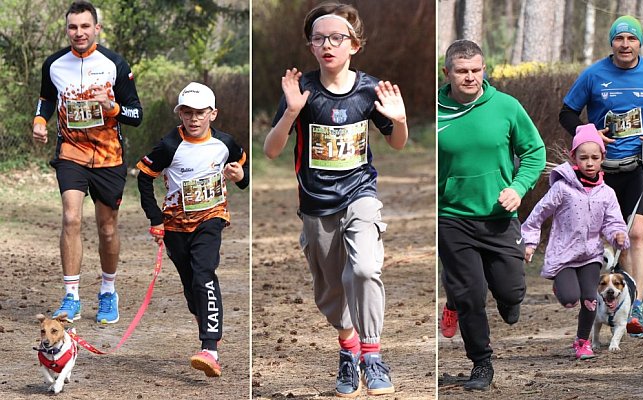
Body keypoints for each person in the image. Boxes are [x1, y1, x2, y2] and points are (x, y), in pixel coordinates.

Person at [263, 2, 408, 397]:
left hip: (360, 196)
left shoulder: (369, 89)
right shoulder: (303, 91)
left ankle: (373, 355)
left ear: (354, 45)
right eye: (319, 38)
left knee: (363, 270)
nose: (328, 44)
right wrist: (292, 112)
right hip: (316, 204)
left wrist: (399, 119)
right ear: (311, 46)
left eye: (337, 38)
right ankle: (349, 350)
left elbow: (397, 144)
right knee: (330, 291)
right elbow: (272, 151)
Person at [559, 15, 643, 338]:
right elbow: (566, 112)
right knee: (617, 239)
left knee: (638, 232)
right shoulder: (593, 75)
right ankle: (626, 299)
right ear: (611, 43)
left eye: (631, 39)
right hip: (603, 169)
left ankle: (639, 305)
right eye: (619, 39)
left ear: (640, 43)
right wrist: (587, 132)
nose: (625, 45)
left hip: (641, 163)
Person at [438, 39, 546, 391]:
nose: (470, 77)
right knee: (469, 295)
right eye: (462, 71)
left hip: (499, 216)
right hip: (452, 217)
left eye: (475, 70)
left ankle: (508, 298)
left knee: (511, 289)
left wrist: (518, 188)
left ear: (484, 70)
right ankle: (481, 364)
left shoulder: (506, 106)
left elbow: (534, 152)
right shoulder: (436, 111)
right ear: (447, 73)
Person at [32, 0, 142, 324]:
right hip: (71, 153)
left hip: (109, 157)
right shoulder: (53, 64)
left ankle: (108, 291)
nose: (78, 33)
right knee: (70, 218)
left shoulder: (115, 64)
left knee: (107, 229)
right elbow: (47, 98)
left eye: (84, 26)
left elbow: (136, 113)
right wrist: (40, 120)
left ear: (97, 28)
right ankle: (71, 297)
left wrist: (111, 107)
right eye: (72, 27)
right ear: (66, 29)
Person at [136, 82, 249, 377]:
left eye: (200, 113)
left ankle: (210, 349)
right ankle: (208, 322)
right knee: (191, 288)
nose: (194, 119)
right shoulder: (169, 145)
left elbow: (241, 167)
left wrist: (240, 176)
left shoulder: (225, 143)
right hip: (175, 225)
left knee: (204, 274)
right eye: (187, 113)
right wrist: (155, 218)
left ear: (213, 113)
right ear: (180, 114)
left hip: (211, 218)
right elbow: (143, 178)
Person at [520, 124, 629, 360]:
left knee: (590, 299)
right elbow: (537, 215)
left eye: (595, 157)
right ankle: (562, 286)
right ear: (574, 158)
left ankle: (582, 342)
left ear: (602, 158)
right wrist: (529, 242)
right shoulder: (562, 188)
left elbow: (613, 222)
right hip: (564, 255)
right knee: (571, 299)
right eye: (584, 158)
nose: (589, 163)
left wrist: (618, 235)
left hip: (591, 255)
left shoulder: (606, 193)